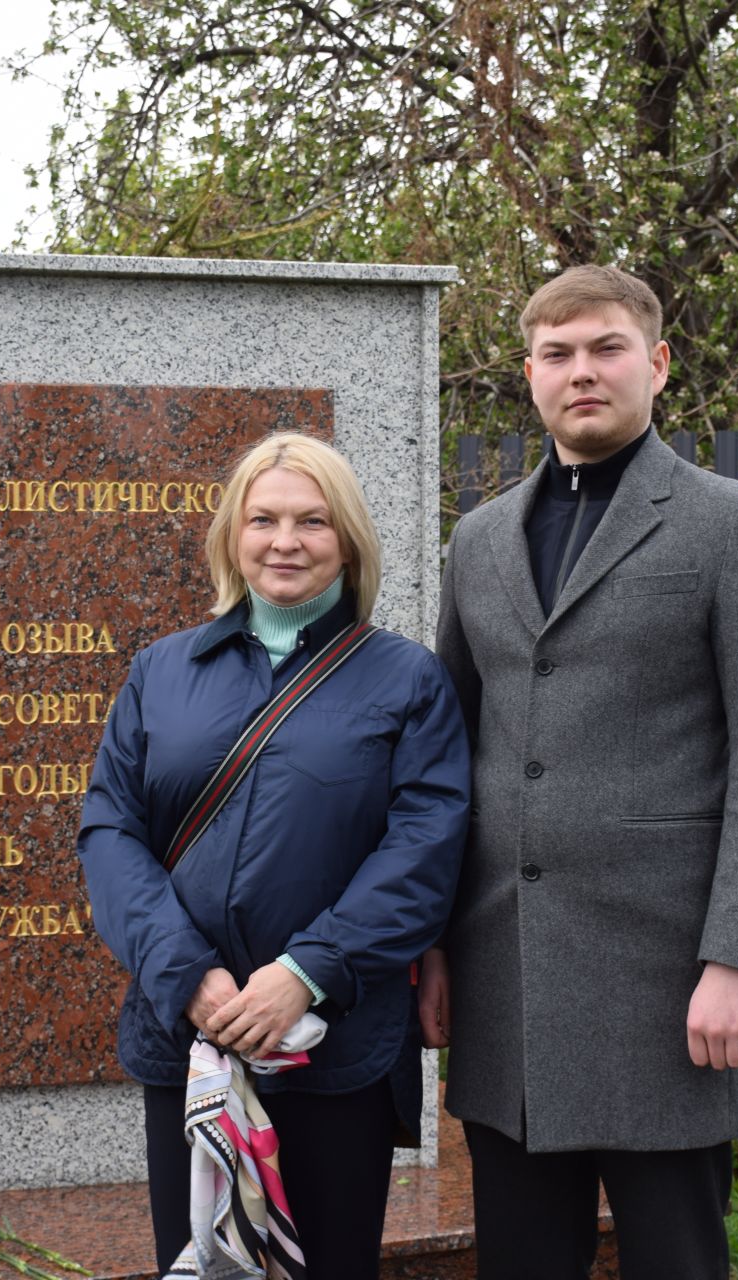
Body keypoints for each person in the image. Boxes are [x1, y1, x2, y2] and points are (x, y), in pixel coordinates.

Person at [424, 265, 738, 1279]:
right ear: (530, 374)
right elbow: (442, 759)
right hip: (506, 978)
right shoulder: (477, 541)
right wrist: (428, 945)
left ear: (658, 363)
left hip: (670, 983)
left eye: (605, 348)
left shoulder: (730, 526)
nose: (581, 372)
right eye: (558, 354)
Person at [79, 432, 470, 1280]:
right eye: (263, 519)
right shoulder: (162, 671)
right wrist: (187, 975)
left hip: (337, 1044)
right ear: (232, 535)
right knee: (202, 1267)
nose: (285, 541)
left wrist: (307, 969)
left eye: (311, 521)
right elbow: (111, 832)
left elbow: (425, 847)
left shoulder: (407, 680)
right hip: (195, 1036)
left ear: (348, 541)